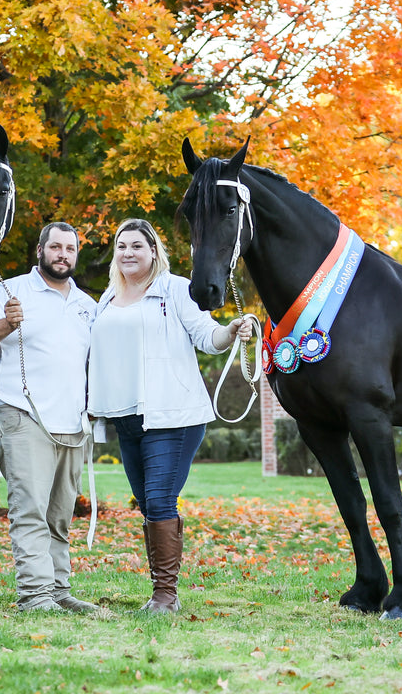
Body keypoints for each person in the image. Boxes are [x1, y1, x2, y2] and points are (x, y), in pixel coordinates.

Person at [87, 218, 252, 612]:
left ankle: (165, 595)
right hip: (126, 416)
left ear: (153, 251)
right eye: (122, 246)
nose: (128, 253)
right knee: (147, 503)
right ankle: (160, 591)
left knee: (161, 500)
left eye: (137, 246)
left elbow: (206, 337)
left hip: (173, 415)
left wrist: (230, 331)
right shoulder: (107, 298)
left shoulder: (175, 289)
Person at [0, 222, 98, 613]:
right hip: (22, 416)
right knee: (30, 510)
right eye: (54, 247)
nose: (62, 255)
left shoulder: (87, 305)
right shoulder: (11, 291)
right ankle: (35, 596)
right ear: (39, 251)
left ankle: (59, 591)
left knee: (59, 515)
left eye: (70, 249)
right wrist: (7, 323)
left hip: (72, 425)